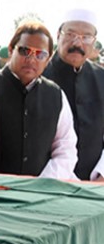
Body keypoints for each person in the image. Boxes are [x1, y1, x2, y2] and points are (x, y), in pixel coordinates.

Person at [0, 21, 77, 178]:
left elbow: (66, 149)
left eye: (40, 54)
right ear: (10, 50)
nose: (31, 59)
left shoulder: (56, 95)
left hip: (40, 193)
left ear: (48, 59)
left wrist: (42, 184)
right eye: (24, 51)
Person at [43, 9, 104, 180]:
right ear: (58, 35)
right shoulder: (39, 76)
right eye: (71, 34)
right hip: (48, 184)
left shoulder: (101, 78)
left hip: (96, 185)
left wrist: (101, 176)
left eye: (86, 37)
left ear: (94, 42)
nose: (77, 43)